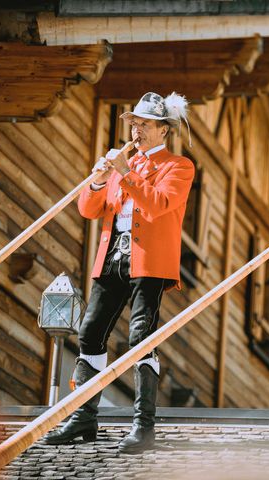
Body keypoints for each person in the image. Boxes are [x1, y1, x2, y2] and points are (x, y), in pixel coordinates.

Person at [44, 92, 195, 454]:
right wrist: (99, 179)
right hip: (113, 256)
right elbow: (89, 209)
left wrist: (124, 172)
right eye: (134, 124)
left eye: (144, 125)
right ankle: (83, 416)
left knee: (140, 336)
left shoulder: (179, 166)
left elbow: (157, 205)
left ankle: (144, 427)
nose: (137, 130)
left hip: (150, 260)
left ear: (164, 130)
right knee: (90, 331)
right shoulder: (124, 163)